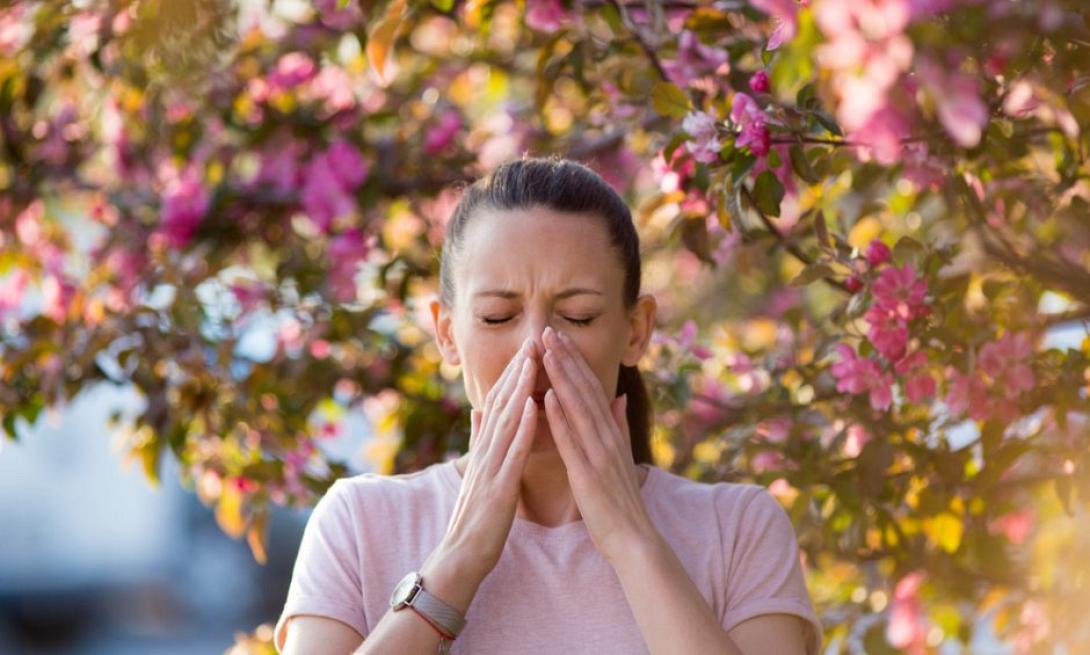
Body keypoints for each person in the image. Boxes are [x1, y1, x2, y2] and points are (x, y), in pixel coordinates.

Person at [274, 156, 823, 654]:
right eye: (497, 317)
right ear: (446, 333)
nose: (536, 346)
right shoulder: (360, 523)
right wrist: (458, 560)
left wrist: (631, 540)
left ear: (636, 331)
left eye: (578, 316)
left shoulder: (737, 529)